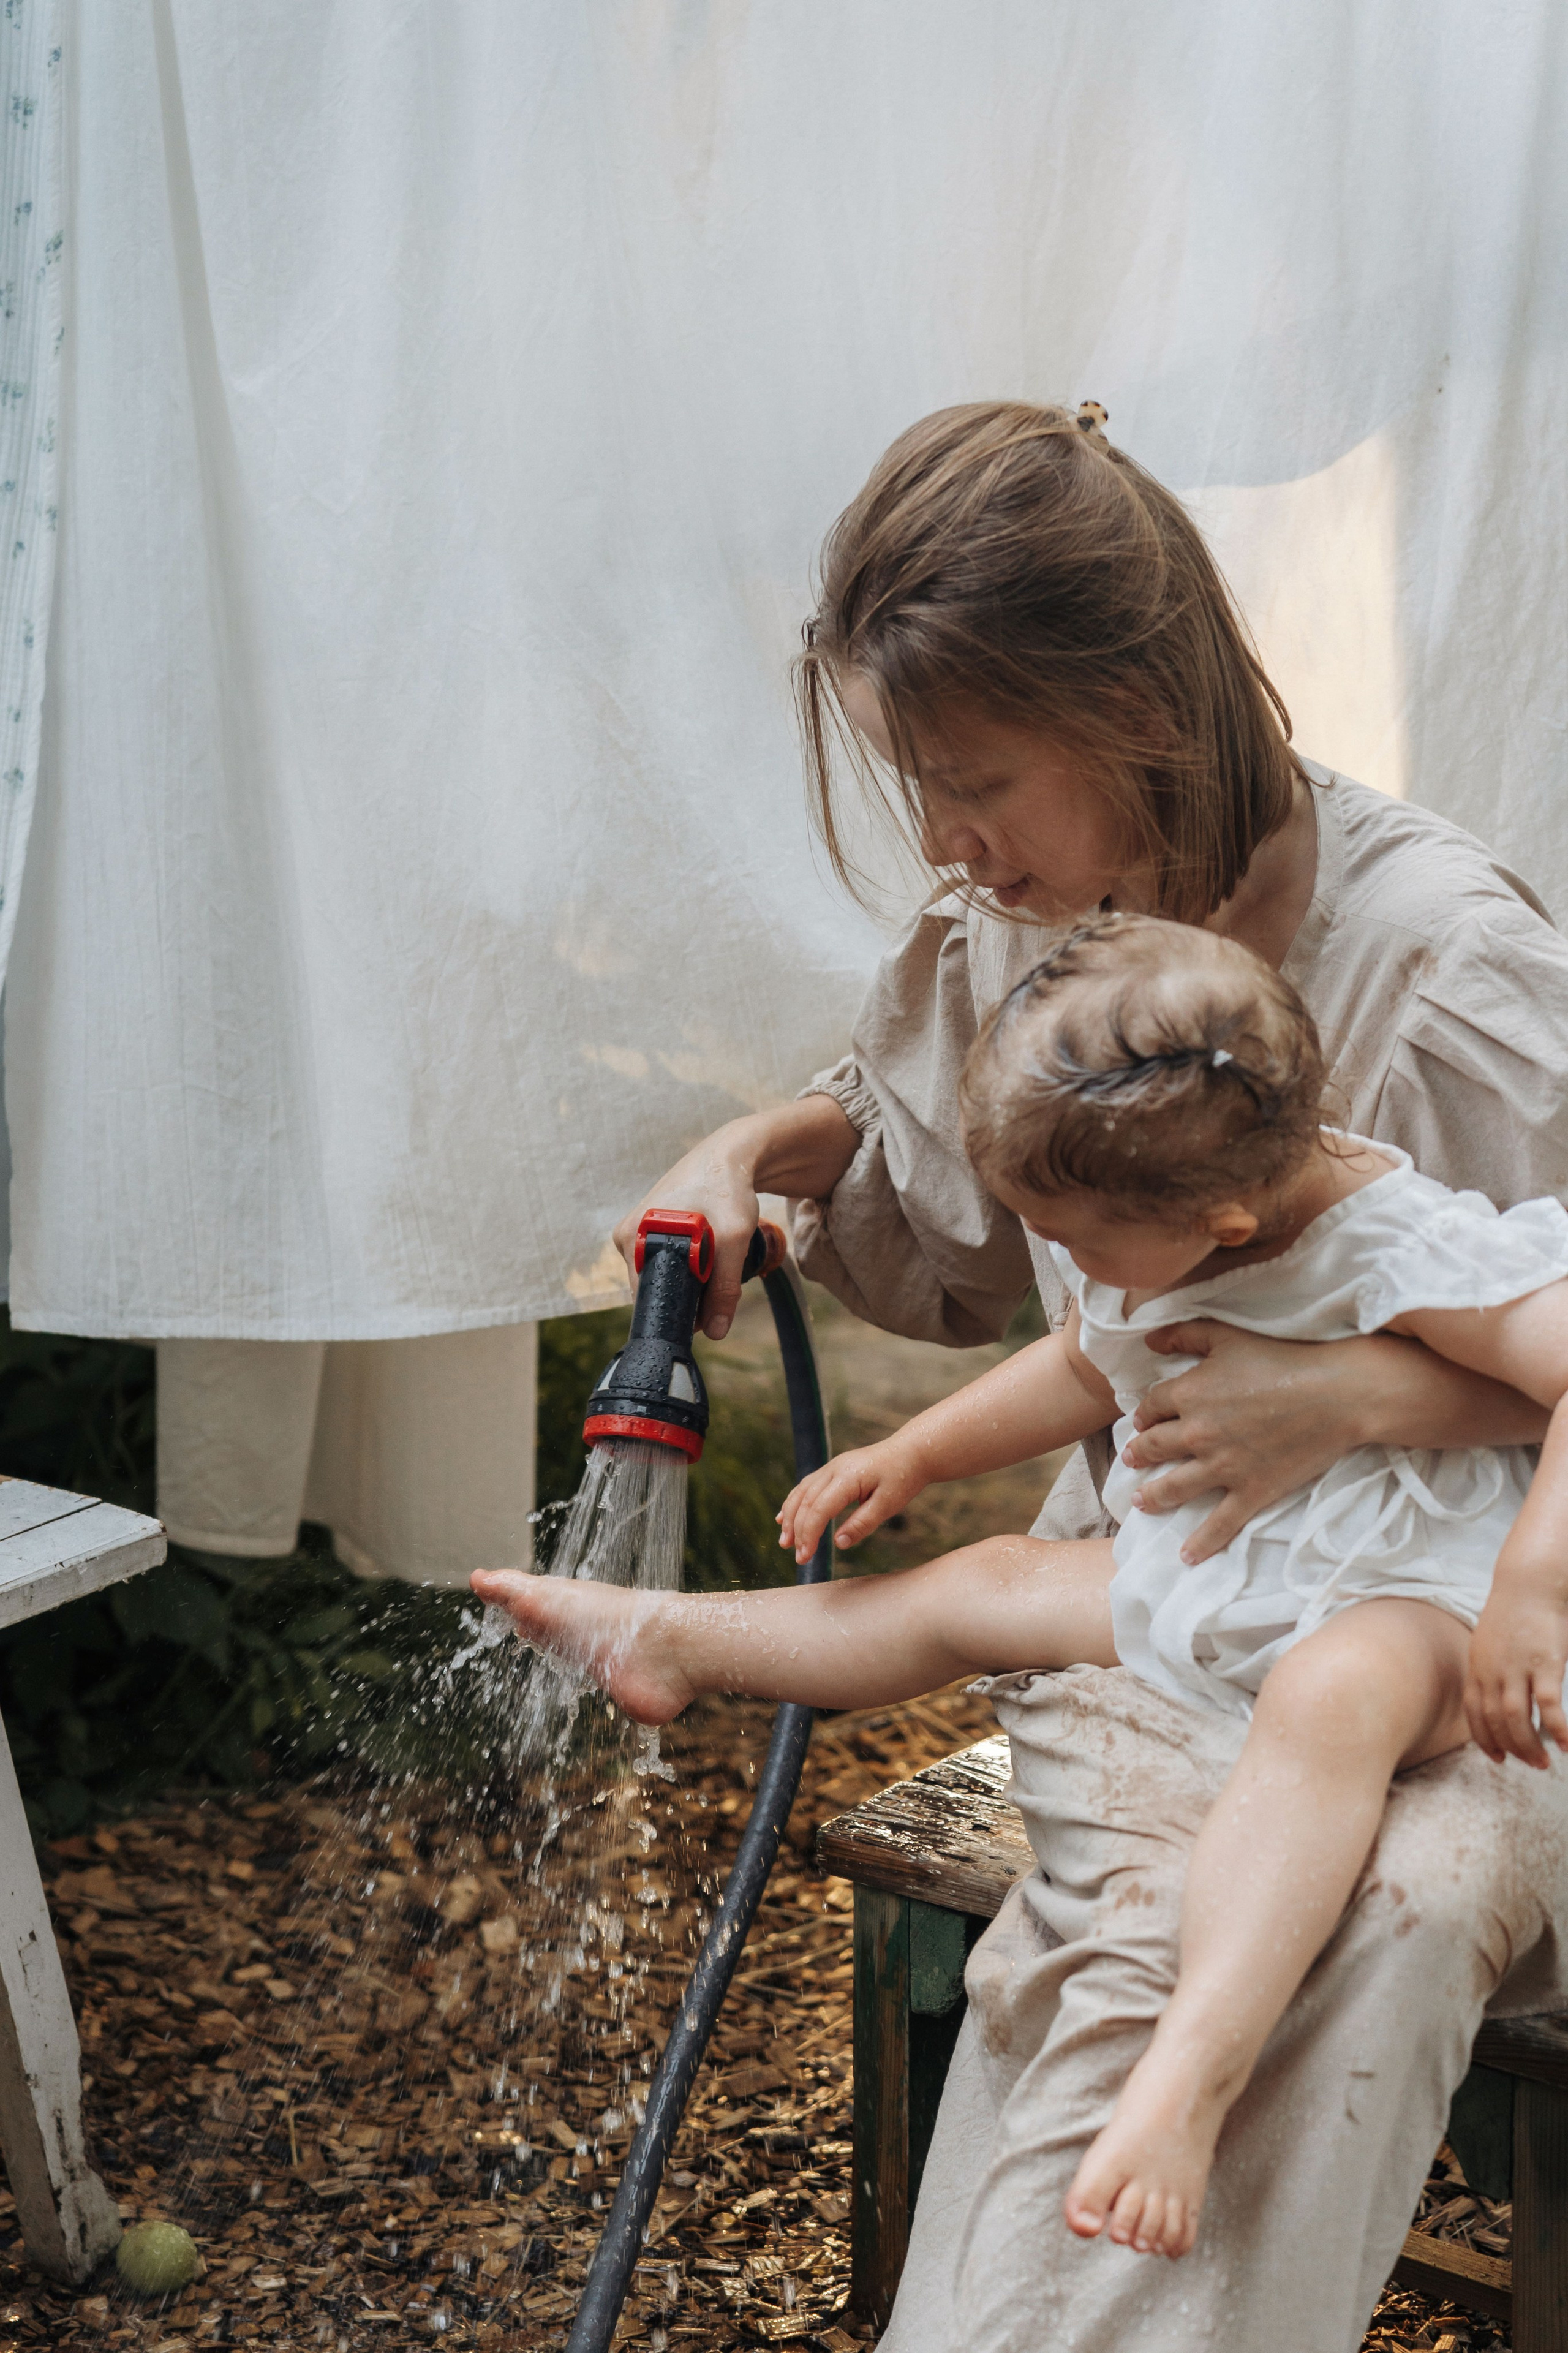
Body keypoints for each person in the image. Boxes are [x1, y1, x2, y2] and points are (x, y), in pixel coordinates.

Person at [576, 401, 1568, 2351]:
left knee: (1374, 1926)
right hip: (1183, 1604)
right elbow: (957, 1199)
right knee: (1124, 1974)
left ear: (1134, 706)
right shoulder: (1028, 932)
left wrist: (1365, 1403)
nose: (945, 845)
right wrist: (754, 1155)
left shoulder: (1437, 979)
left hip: (1484, 1638)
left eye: (977, 781)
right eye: (913, 786)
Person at [477, 912, 1568, 2262]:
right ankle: (672, 1638)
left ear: (1219, 1220)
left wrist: (1532, 1590)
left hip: (1418, 1598)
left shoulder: (1396, 1242)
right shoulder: (1171, 1227)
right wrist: (916, 1451)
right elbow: (1079, 1359)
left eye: (1076, 1237)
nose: (1064, 1262)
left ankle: (1186, 2077)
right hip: (1230, 1562)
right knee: (976, 1585)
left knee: (1327, 1703)